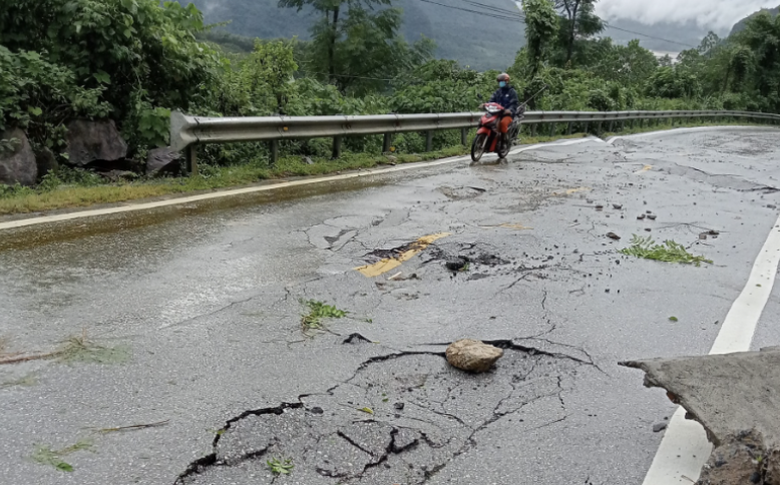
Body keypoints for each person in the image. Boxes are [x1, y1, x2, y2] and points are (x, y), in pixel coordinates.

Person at [485, 73, 519, 146]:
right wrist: (486, 104)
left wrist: (509, 110)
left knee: (503, 123)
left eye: (502, 81)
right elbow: (492, 100)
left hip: (507, 115)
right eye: (499, 82)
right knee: (486, 121)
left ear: (506, 81)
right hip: (497, 113)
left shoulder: (512, 92)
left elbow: (514, 104)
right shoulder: (498, 92)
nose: (500, 83)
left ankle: (504, 142)